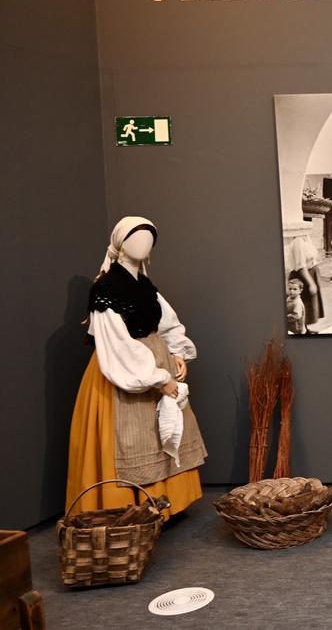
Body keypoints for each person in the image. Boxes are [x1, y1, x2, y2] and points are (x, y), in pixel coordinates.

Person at [66, 216, 207, 519]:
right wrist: (158, 378)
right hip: (123, 370)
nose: (142, 244)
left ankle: (165, 506)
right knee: (131, 437)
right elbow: (117, 344)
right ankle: (128, 510)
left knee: (160, 431)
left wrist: (177, 352)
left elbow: (165, 321)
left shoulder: (145, 285)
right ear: (119, 244)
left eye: (148, 238)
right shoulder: (105, 289)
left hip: (154, 361)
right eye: (134, 237)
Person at [286, 234, 325, 328]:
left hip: (310, 273)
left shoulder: (306, 238)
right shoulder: (298, 241)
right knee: (302, 306)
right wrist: (311, 283)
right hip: (302, 276)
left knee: (309, 308)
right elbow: (301, 266)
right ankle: (301, 330)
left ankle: (305, 328)